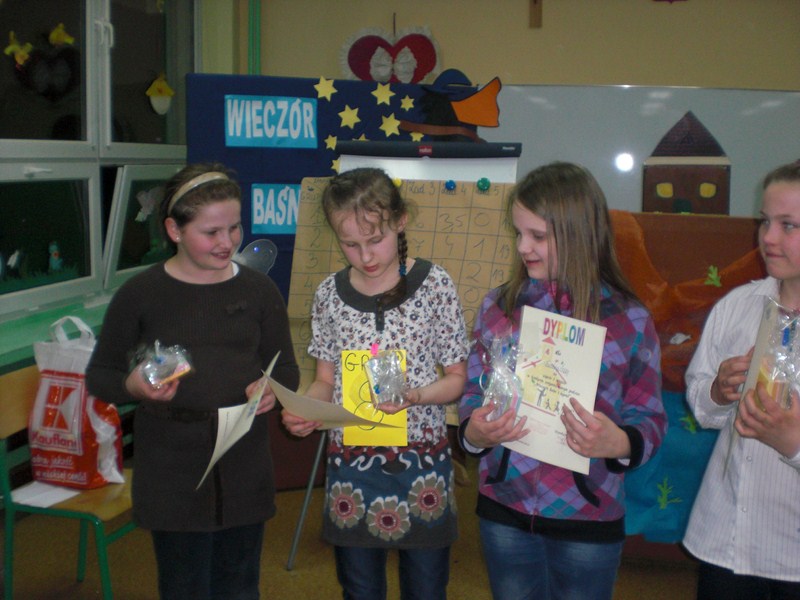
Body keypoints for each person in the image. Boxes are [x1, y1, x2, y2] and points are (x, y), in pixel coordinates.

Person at [86, 162, 300, 600]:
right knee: (184, 584)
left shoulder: (259, 291)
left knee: (240, 584)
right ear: (174, 230)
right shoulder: (141, 294)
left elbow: (286, 369)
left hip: (243, 461)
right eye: (211, 232)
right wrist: (133, 387)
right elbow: (100, 376)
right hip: (171, 466)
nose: (227, 242)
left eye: (234, 227)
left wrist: (271, 391)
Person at [458, 161, 667, 600]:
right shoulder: (499, 308)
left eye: (537, 236)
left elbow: (649, 417)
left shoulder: (628, 320)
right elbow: (474, 393)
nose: (522, 247)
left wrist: (619, 442)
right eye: (518, 233)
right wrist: (474, 433)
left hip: (588, 518)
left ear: (579, 234)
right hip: (504, 509)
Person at [281, 167, 468, 600]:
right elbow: (324, 381)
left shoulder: (435, 284)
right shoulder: (329, 294)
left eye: (375, 239)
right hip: (353, 467)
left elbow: (457, 380)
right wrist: (305, 411)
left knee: (426, 588)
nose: (365, 256)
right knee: (360, 587)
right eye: (350, 244)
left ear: (400, 221)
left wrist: (417, 396)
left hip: (422, 464)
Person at [683, 161, 800, 600]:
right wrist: (718, 391)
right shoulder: (738, 306)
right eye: (765, 221)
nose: (768, 238)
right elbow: (702, 406)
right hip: (725, 538)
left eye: (789, 225)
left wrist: (793, 443)